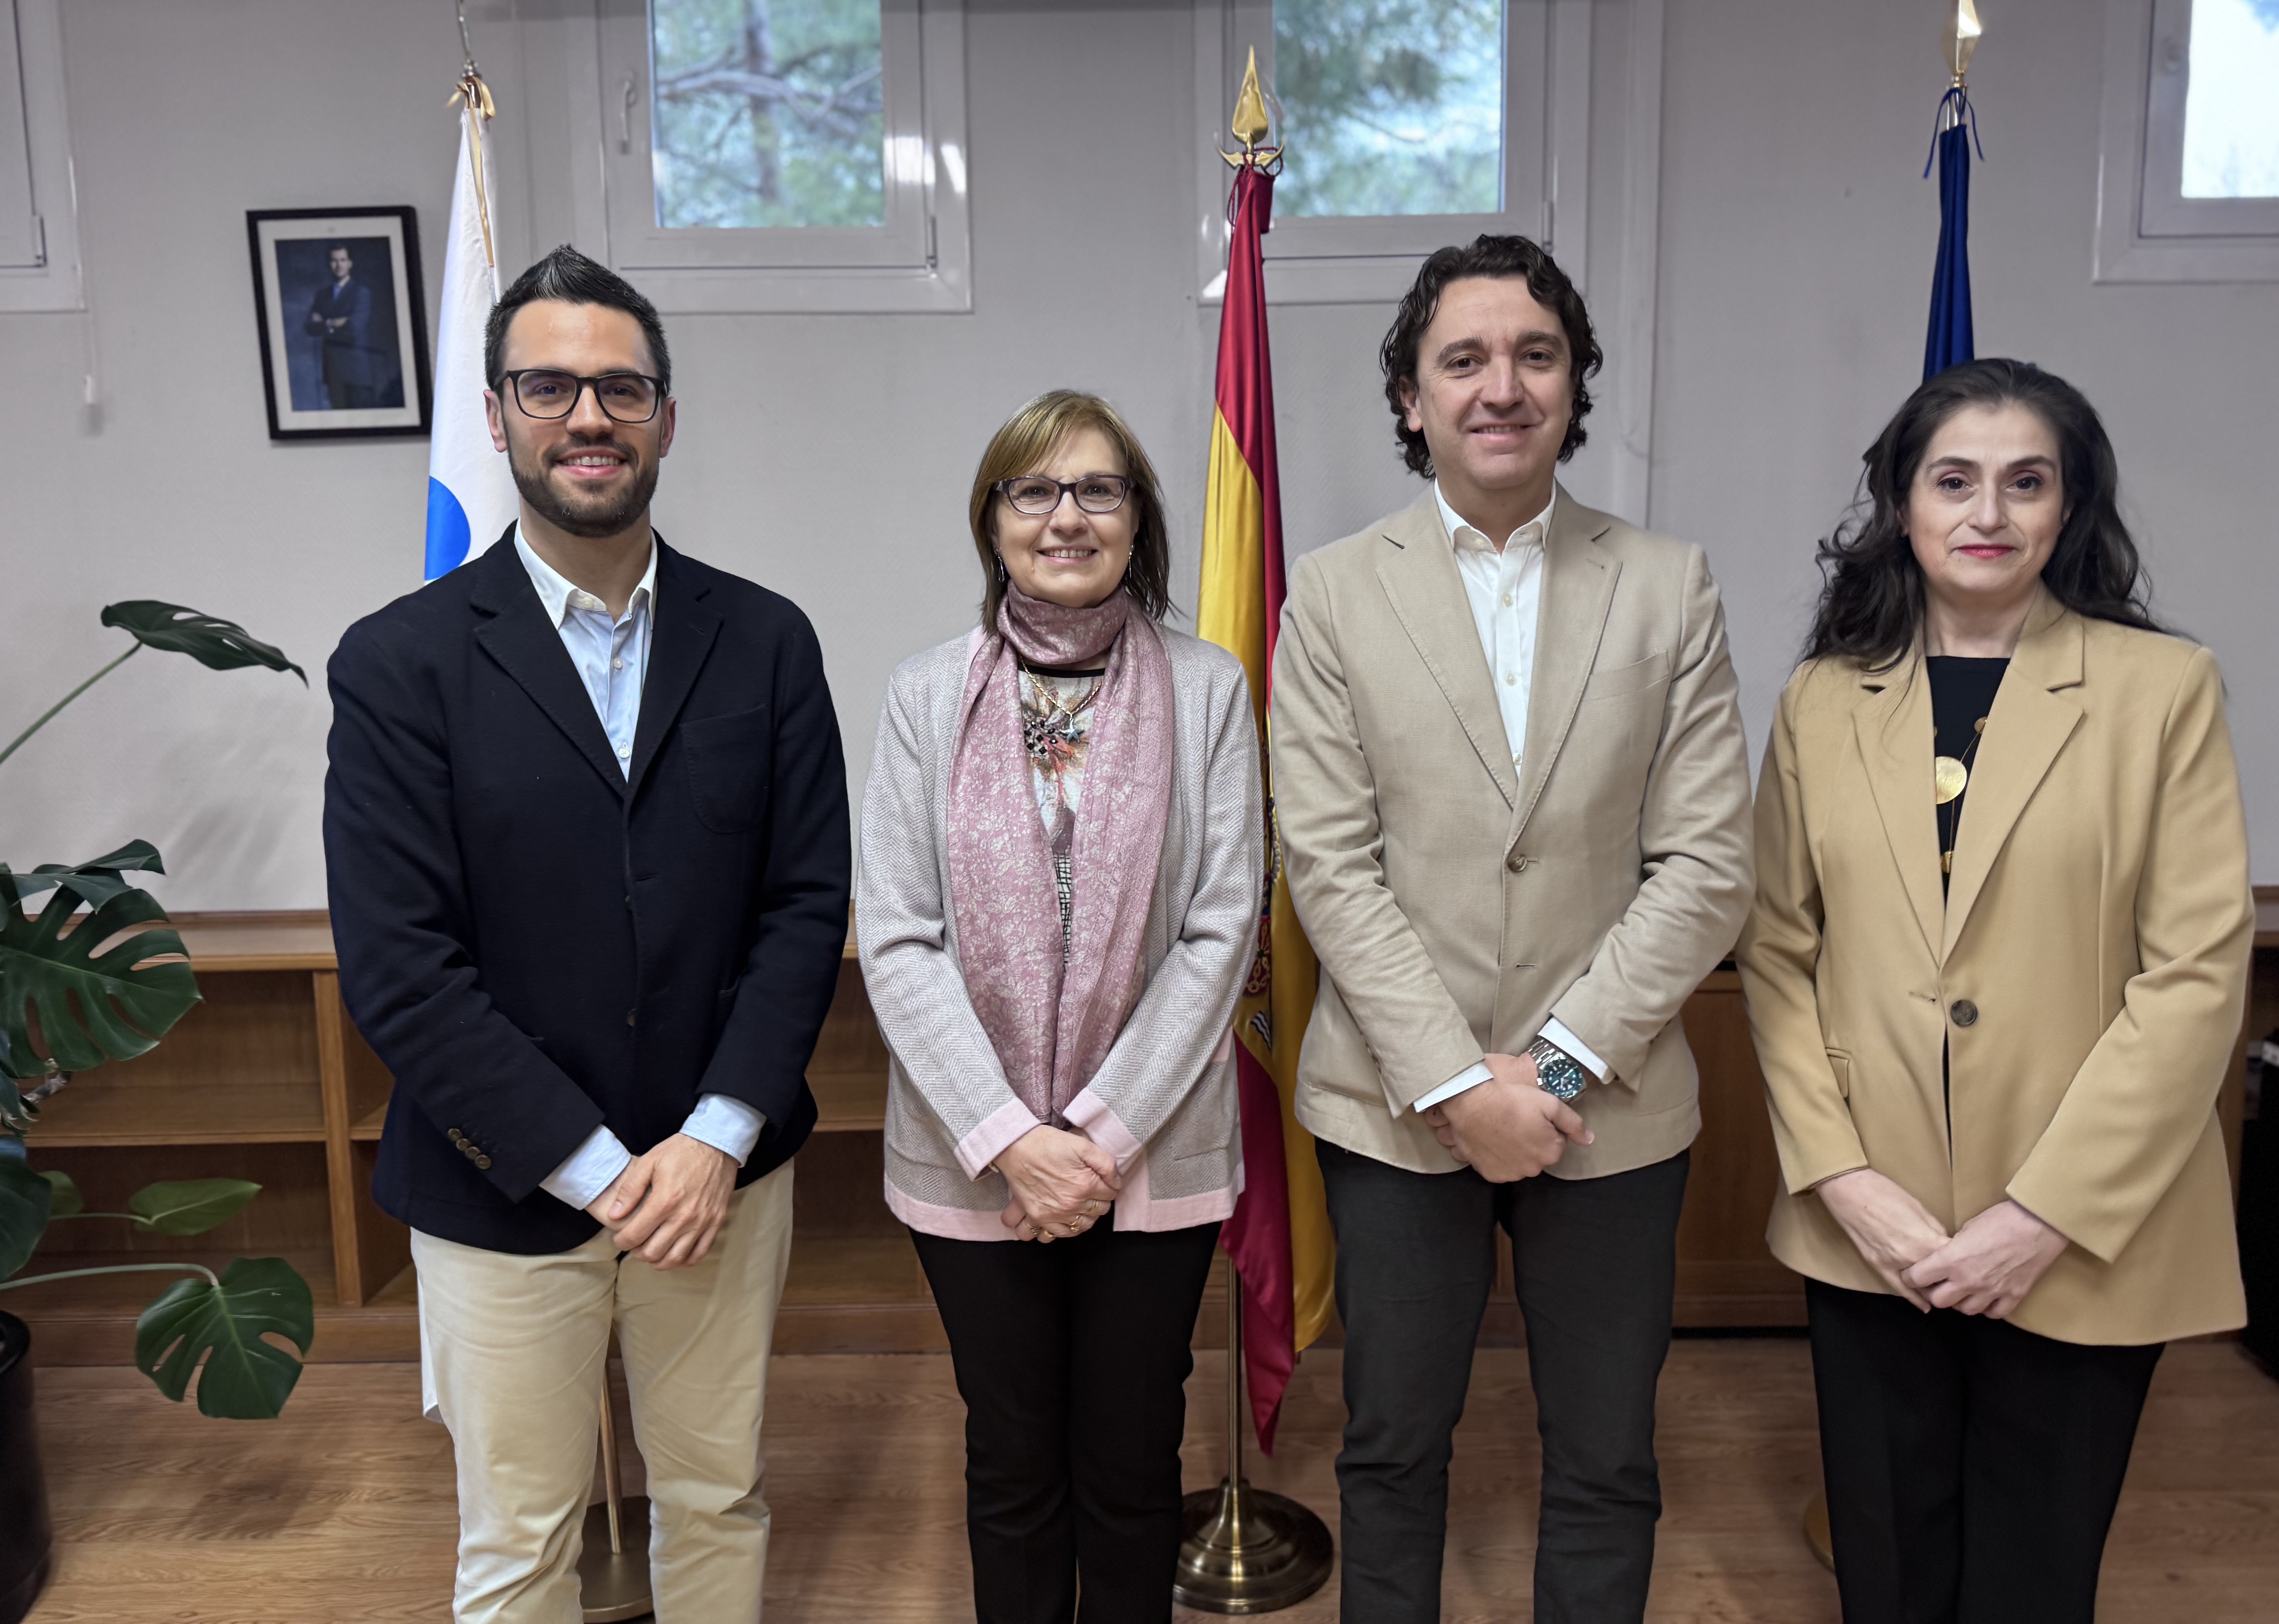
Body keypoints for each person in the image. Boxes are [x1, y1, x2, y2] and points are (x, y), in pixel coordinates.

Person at [323, 245, 850, 1622]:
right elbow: (401, 965)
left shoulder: (769, 641)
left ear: (668, 417)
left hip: (719, 1181)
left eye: (622, 387)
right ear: (495, 415)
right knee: (521, 1543)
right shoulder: (398, 661)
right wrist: (596, 1166)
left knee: (717, 1498)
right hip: (503, 1186)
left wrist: (713, 1139)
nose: (589, 417)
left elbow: (803, 908)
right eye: (549, 386)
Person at [1269, 235, 1754, 1622]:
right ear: (1411, 397)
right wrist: (1452, 1080)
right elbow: (1330, 863)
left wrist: (1545, 1072)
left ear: (1574, 382)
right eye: (1463, 358)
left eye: (1534, 354)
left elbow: (1708, 861)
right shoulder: (1335, 591)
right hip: (1393, 1101)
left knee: (1606, 1457)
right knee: (1391, 1447)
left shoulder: (1668, 584)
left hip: (1609, 1100)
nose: (1502, 384)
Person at [1738, 357, 2252, 1624]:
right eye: (1953, 480)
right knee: (1889, 1570)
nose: (1989, 513)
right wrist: (1845, 1180)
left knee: (2035, 1574)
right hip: (1878, 1224)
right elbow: (1776, 950)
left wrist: (2042, 1215)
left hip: (2081, 1225)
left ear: (2069, 510)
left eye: (2027, 484)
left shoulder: (2162, 689)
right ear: (1901, 505)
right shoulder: (1820, 701)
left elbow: (2193, 975)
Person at [857, 389, 1262, 1624]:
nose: (1067, 516)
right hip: (972, 1154)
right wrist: (1014, 1141)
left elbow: (1222, 921)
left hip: (1152, 1154)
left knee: (1136, 1460)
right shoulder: (925, 695)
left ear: (1140, 519)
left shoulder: (1210, 690)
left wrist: (1095, 1138)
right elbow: (898, 931)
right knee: (1012, 1457)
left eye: (1100, 489)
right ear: (992, 522)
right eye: (1035, 490)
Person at [303, 242, 380, 408]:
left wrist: (324, 324)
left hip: (356, 371)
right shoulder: (322, 295)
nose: (339, 265)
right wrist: (334, 323)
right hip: (332, 370)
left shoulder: (361, 293)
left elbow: (354, 330)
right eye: (334, 261)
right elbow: (309, 327)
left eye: (343, 260)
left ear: (350, 263)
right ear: (329, 264)